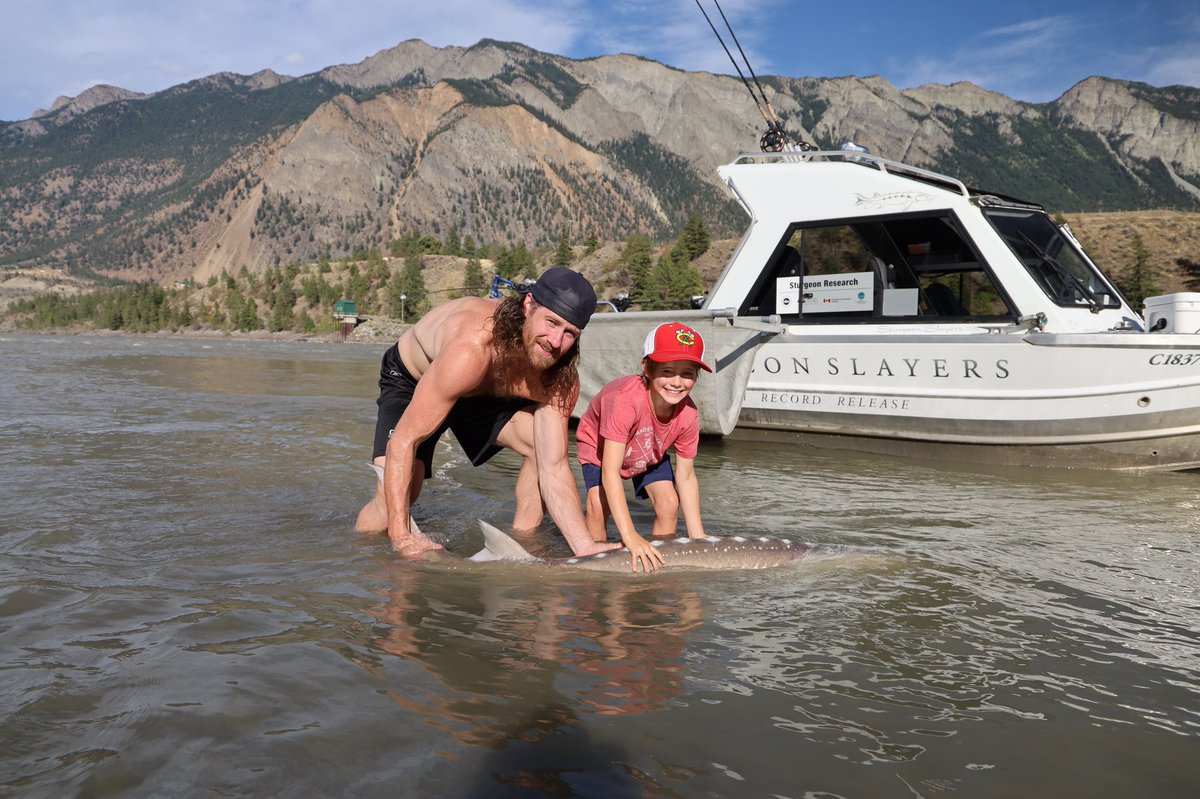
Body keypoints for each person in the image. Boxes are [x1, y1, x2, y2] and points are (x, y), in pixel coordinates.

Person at [355, 267, 619, 559]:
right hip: (416, 376)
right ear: (528, 305)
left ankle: (523, 544)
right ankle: (363, 554)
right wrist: (402, 538)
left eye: (569, 333)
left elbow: (554, 467)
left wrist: (584, 545)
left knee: (539, 445)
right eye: (552, 323)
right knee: (399, 495)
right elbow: (403, 441)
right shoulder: (473, 347)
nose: (555, 342)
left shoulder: (559, 379)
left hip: (482, 389)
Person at [575, 322, 710, 572]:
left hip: (650, 450)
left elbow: (687, 476)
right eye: (667, 371)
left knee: (669, 502)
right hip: (601, 449)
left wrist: (698, 538)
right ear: (646, 368)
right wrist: (630, 536)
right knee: (597, 504)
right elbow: (611, 472)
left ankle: (656, 562)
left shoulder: (689, 414)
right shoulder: (625, 401)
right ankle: (592, 564)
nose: (677, 382)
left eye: (687, 374)